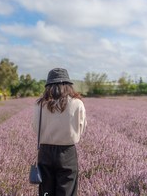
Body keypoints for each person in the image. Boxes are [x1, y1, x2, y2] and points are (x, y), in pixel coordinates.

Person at [33, 68, 87, 196]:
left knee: (46, 190)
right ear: (68, 85)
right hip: (67, 153)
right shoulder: (77, 103)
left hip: (45, 151)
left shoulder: (39, 104)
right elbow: (82, 128)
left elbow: (35, 128)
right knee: (67, 191)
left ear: (48, 86)